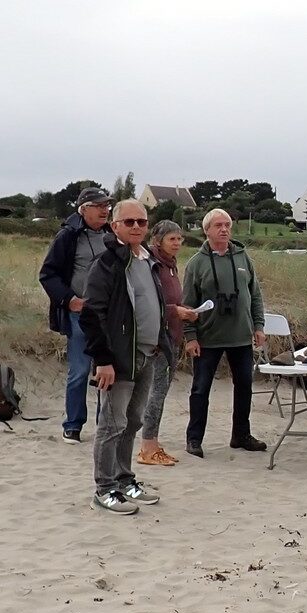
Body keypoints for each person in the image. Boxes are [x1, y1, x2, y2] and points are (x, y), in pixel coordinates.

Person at [80, 200, 172, 515]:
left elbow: (153, 306)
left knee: (132, 422)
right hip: (119, 359)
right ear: (115, 225)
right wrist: (103, 360)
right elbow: (92, 315)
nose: (136, 227)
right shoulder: (106, 264)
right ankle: (103, 489)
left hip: (147, 354)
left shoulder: (148, 260)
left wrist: (161, 341)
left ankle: (124, 480)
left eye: (142, 222)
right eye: (129, 221)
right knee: (112, 424)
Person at [182, 208, 267, 458]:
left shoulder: (243, 258)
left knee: (244, 386)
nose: (224, 229)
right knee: (200, 389)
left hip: (240, 336)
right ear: (206, 229)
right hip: (208, 337)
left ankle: (241, 435)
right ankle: (194, 439)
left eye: (227, 225)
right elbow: (188, 304)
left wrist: (259, 326)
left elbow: (255, 295)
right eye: (218, 225)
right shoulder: (196, 264)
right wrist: (190, 336)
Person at [39, 186, 114, 444]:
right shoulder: (68, 236)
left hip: (110, 315)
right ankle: (73, 425)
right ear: (84, 209)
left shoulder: (113, 235)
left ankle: (104, 424)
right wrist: (69, 300)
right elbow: (48, 274)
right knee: (80, 371)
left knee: (107, 370)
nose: (105, 210)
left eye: (107, 205)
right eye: (99, 205)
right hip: (80, 315)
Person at [137, 220, 199, 467]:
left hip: (172, 336)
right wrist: (177, 311)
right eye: (172, 239)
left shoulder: (171, 265)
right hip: (156, 338)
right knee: (157, 392)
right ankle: (147, 446)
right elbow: (150, 304)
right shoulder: (151, 265)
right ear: (157, 240)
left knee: (160, 393)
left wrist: (185, 313)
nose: (177, 243)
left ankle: (152, 442)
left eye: (179, 239)